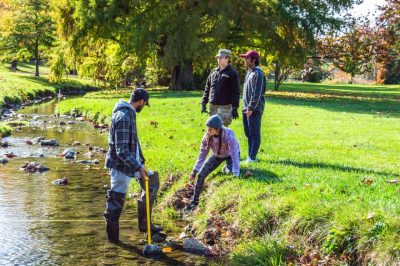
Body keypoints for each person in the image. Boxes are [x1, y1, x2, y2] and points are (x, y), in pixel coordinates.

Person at [103, 88, 162, 244]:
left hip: (134, 163)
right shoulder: (123, 116)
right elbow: (121, 150)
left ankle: (145, 225)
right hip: (121, 166)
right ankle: (113, 240)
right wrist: (138, 167)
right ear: (141, 101)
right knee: (116, 202)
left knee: (152, 183)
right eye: (144, 104)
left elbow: (132, 141)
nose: (144, 107)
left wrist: (140, 160)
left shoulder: (129, 114)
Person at [186, 115, 240, 211]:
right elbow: (202, 155)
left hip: (230, 155)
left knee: (231, 171)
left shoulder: (228, 134)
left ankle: (227, 168)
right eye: (208, 128)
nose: (208, 131)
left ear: (217, 128)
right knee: (201, 175)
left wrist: (236, 172)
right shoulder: (207, 137)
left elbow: (235, 153)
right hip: (217, 156)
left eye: (211, 129)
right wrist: (195, 171)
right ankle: (194, 201)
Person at [201, 49, 240, 127]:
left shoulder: (232, 73)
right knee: (212, 129)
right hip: (213, 106)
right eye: (218, 57)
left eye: (221, 57)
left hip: (225, 107)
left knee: (222, 130)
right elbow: (207, 88)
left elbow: (235, 91)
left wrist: (235, 107)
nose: (218, 59)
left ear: (227, 58)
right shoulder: (213, 72)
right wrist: (204, 103)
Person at [240, 50, 266, 163]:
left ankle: (253, 157)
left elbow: (257, 93)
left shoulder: (258, 73)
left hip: (254, 109)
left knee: (254, 133)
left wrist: (251, 108)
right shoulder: (249, 72)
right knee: (248, 133)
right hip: (246, 108)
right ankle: (250, 156)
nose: (245, 60)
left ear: (253, 60)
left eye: (247, 58)